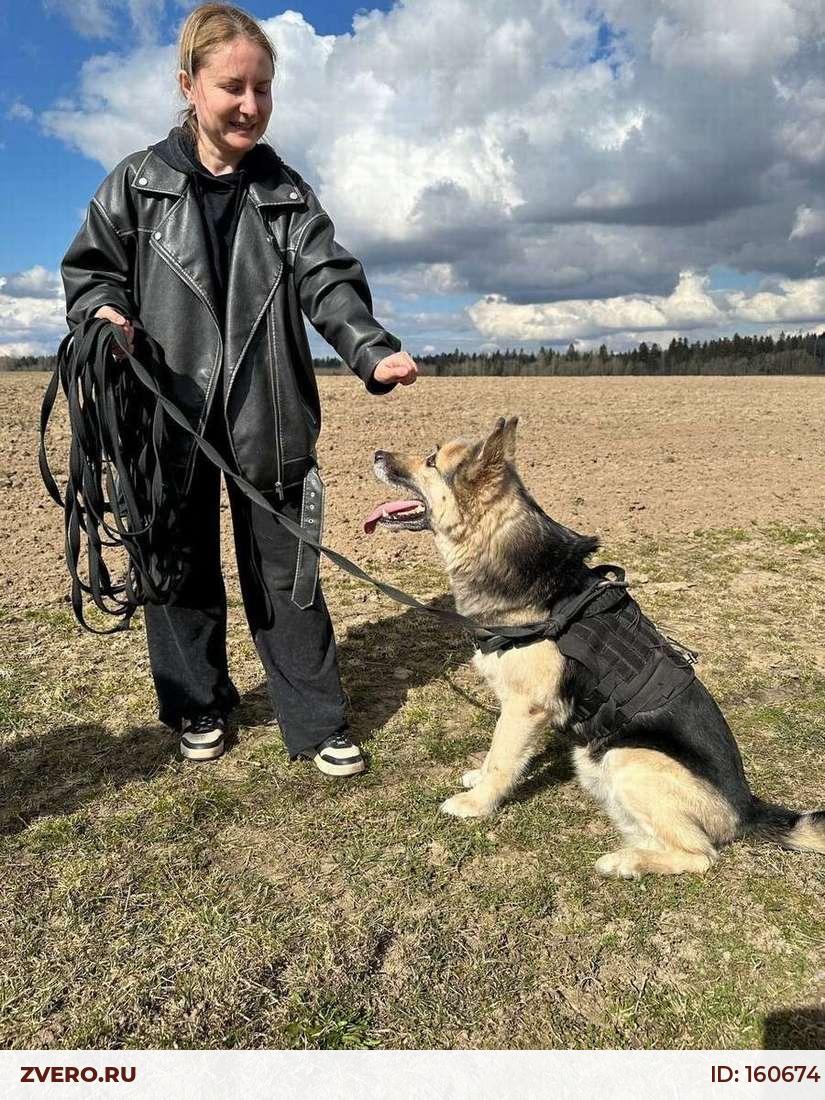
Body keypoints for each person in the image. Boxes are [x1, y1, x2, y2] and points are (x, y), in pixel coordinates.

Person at [60, 3, 417, 776]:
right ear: (188, 85)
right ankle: (198, 705)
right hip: (165, 416)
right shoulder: (135, 184)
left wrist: (368, 348)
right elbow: (91, 274)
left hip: (269, 416)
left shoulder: (286, 193)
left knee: (289, 577)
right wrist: (104, 315)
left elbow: (327, 279)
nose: (250, 105)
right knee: (176, 568)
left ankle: (317, 720)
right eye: (233, 87)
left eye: (263, 88)